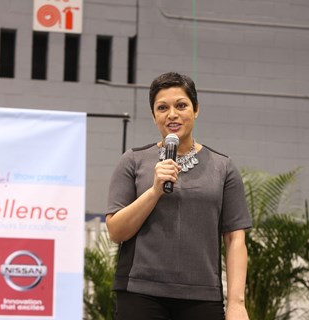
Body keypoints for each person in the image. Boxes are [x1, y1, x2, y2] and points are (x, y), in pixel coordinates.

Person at [106, 72, 252, 320]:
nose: (172, 114)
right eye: (162, 108)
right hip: (140, 293)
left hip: (202, 296)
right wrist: (154, 191)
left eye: (181, 105)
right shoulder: (133, 161)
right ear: (154, 116)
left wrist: (237, 303)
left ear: (196, 110)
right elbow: (116, 232)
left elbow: (235, 239)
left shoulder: (223, 167)